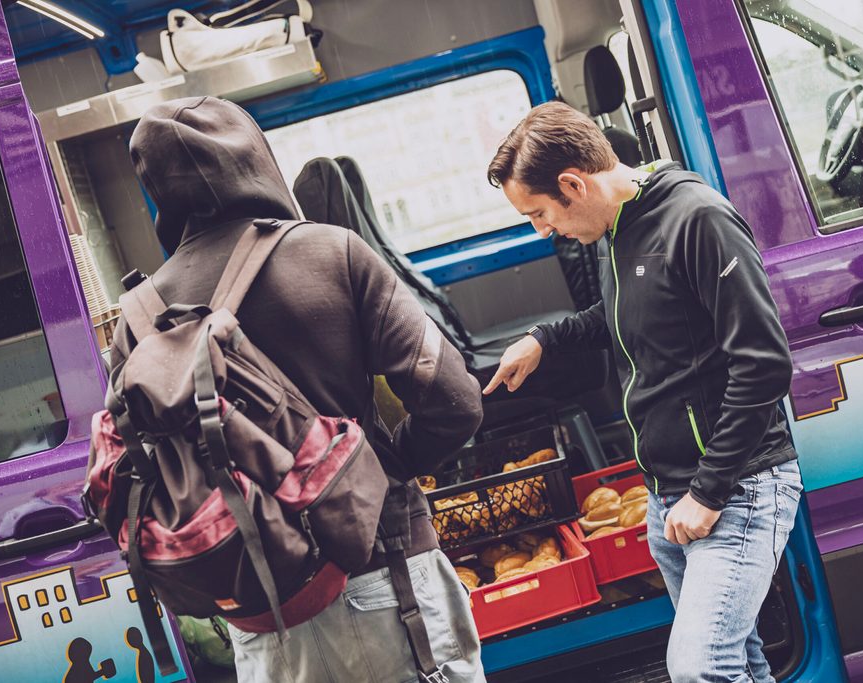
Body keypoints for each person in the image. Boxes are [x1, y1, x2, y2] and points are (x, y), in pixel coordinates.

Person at [120, 96, 486, 683]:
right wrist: (381, 468)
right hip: (387, 580)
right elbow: (455, 403)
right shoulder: (333, 252)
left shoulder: (139, 318)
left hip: (260, 618)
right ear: (254, 158)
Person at [483, 102, 802, 683]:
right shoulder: (617, 228)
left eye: (539, 214)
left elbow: (764, 365)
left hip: (736, 486)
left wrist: (708, 492)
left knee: (700, 669)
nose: (542, 231)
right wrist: (543, 340)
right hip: (668, 496)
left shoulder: (697, 220)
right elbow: (624, 310)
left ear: (572, 184)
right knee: (741, 663)